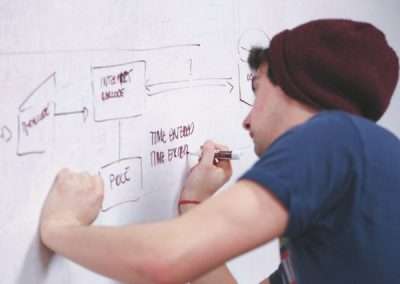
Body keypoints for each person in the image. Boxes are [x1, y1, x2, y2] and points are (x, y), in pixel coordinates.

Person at [40, 19, 399, 284]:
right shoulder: (362, 179)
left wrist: (59, 228)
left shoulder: (332, 137)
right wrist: (194, 203)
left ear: (295, 85)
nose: (246, 120)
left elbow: (164, 261)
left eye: (256, 89)